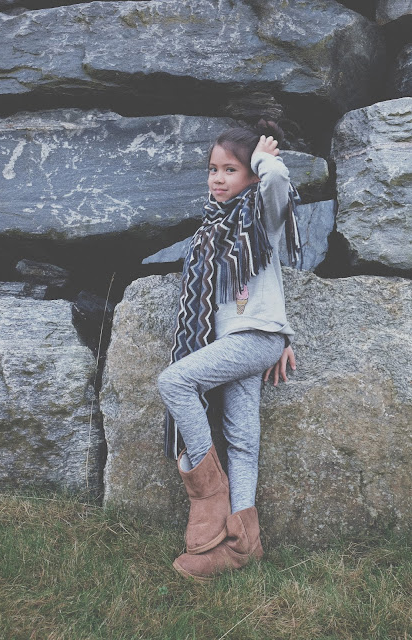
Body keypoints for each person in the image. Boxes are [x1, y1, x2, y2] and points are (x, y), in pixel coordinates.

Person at [158, 120, 297, 583]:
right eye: (213, 169)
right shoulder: (210, 229)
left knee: (175, 380)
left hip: (256, 340)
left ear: (251, 176)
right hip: (234, 346)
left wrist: (262, 158)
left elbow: (278, 179)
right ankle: (242, 545)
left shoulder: (262, 216)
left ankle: (208, 495)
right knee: (242, 440)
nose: (218, 178)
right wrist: (282, 335)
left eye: (230, 169)